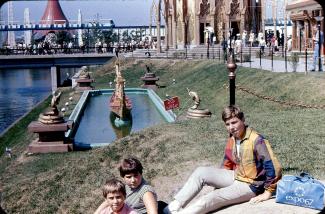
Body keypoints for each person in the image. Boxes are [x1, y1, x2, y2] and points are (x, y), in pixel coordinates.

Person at [163, 105, 282, 214]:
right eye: (227, 124)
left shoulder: (256, 140)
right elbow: (227, 161)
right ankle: (172, 208)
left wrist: (268, 192)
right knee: (201, 172)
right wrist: (219, 181)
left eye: (234, 122)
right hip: (237, 176)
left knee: (212, 197)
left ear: (243, 120)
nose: (231, 127)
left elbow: (273, 166)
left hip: (251, 185)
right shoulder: (234, 138)